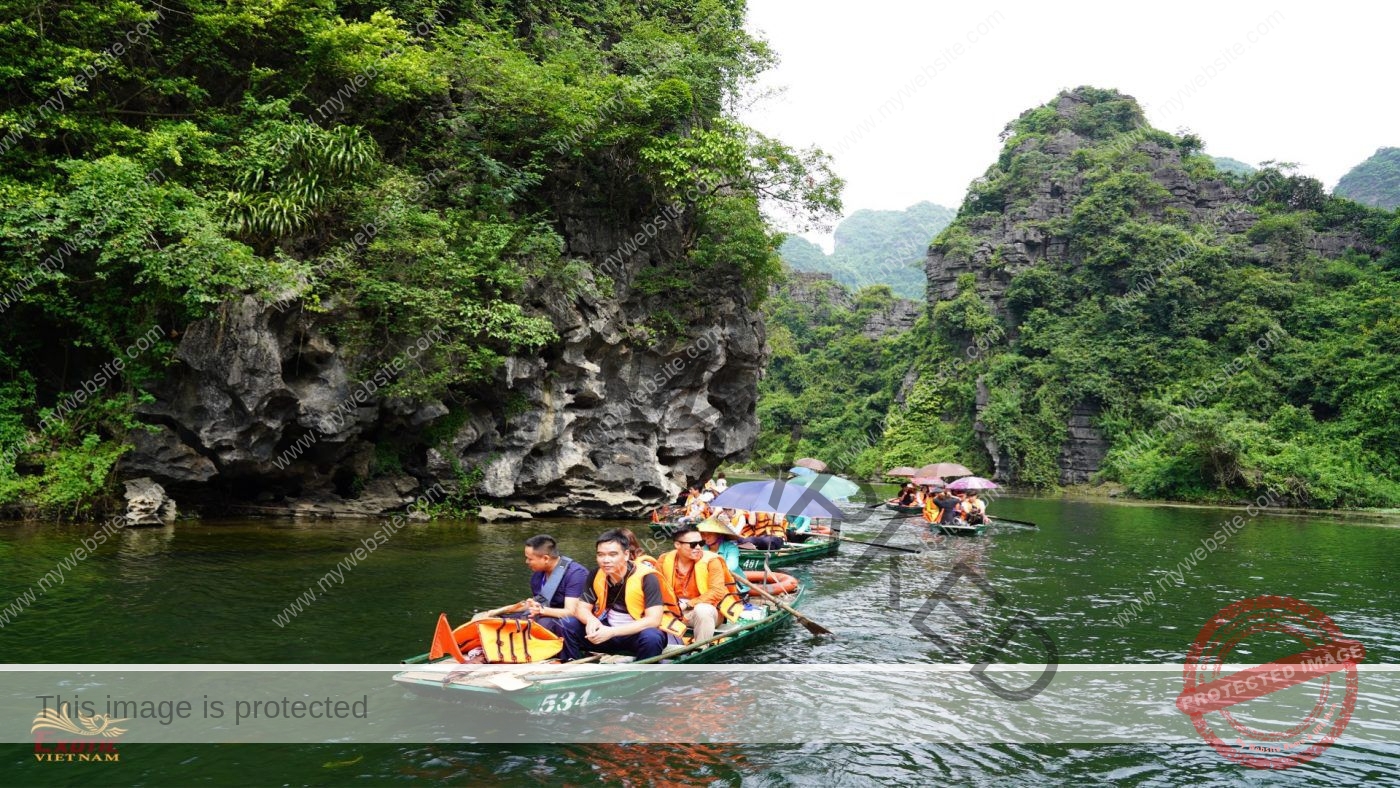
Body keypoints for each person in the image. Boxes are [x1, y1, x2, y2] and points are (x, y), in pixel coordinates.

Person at [470, 534, 588, 661]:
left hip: (570, 622)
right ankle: (492, 651)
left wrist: (541, 611)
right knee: (497, 620)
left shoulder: (575, 574)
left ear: (546, 558)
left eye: (530, 559)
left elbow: (571, 612)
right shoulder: (538, 576)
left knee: (544, 623)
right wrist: (496, 611)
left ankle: (564, 658)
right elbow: (534, 603)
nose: (526, 562)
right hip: (545, 615)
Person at [574, 529, 686, 660]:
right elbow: (581, 608)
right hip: (607, 629)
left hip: (636, 634)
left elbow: (653, 620)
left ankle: (642, 675)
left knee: (652, 636)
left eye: (612, 554)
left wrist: (612, 632)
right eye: (600, 555)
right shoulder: (596, 574)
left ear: (626, 555)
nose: (605, 560)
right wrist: (591, 620)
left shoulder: (648, 577)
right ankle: (571, 663)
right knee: (569, 624)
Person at [656, 526, 745, 644]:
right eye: (693, 544)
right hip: (673, 610)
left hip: (707, 610)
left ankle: (699, 649)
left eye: (701, 543)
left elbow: (717, 592)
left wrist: (688, 605)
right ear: (677, 545)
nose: (698, 547)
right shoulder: (664, 559)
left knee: (702, 610)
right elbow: (656, 588)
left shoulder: (712, 561)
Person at [698, 517, 750, 593]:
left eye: (710, 534)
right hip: (712, 586)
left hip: (735, 587)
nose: (706, 537)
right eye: (703, 534)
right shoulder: (702, 548)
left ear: (718, 535)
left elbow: (731, 567)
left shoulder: (731, 548)